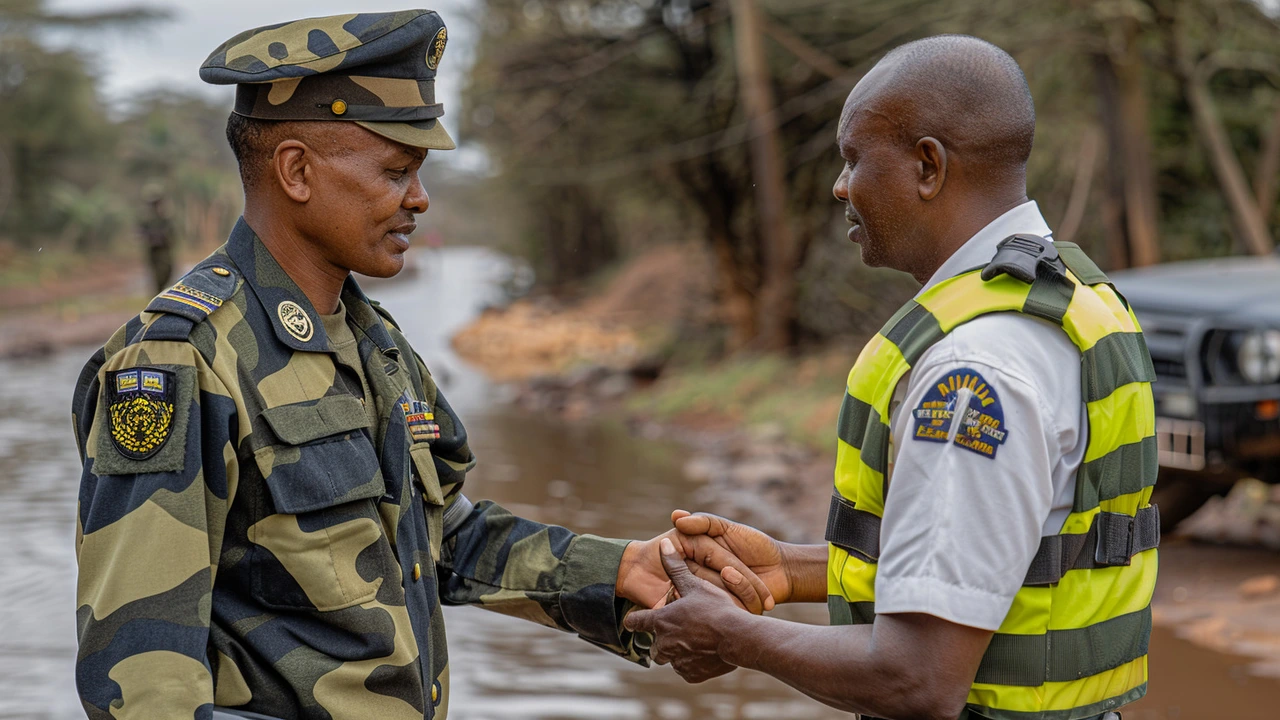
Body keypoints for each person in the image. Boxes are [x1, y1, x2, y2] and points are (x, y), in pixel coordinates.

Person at [69, 11, 770, 720]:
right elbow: (144, 687)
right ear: (297, 171)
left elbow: (444, 539)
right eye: (396, 171)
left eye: (419, 174)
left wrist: (622, 572)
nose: (419, 199)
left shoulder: (377, 346)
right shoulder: (178, 361)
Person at [628, 35, 1160, 720]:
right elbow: (1009, 554)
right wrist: (790, 571)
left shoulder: (973, 371)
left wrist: (734, 635)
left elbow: (917, 680)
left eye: (854, 159)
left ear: (928, 166)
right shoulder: (1070, 301)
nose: (840, 186)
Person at [139, 184, 176, 294]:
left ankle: (161, 293)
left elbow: (172, 234)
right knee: (158, 275)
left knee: (167, 272)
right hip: (154, 251)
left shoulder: (165, 218)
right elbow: (140, 232)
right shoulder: (147, 219)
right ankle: (158, 295)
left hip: (165, 250)